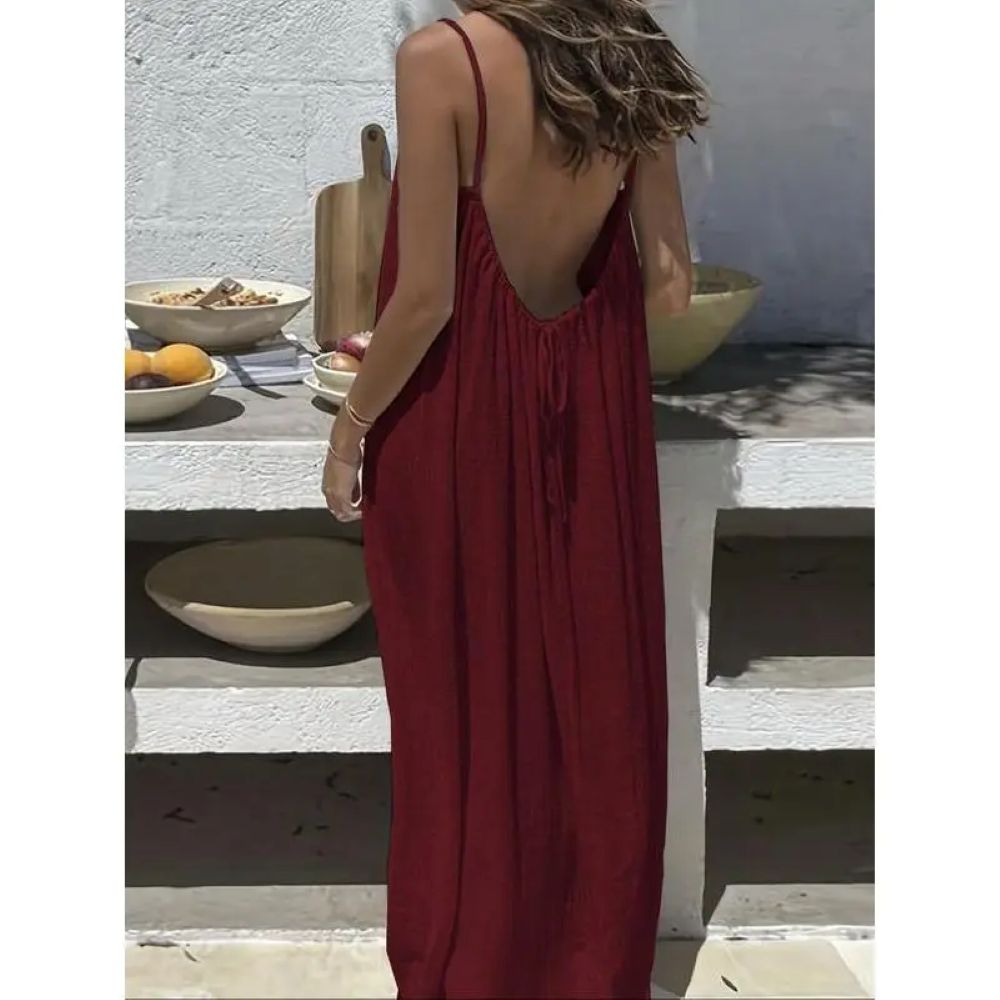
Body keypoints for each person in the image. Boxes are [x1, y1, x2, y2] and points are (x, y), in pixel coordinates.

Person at [322, 2, 707, 996]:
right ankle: (582, 958)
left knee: (456, 705)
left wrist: (351, 427)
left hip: (453, 426)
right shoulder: (629, 47)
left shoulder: (441, 57)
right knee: (590, 690)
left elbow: (425, 301)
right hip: (588, 427)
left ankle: (474, 959)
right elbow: (670, 284)